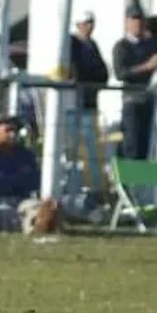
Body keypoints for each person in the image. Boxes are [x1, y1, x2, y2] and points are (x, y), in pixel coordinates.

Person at [68, 10, 109, 191]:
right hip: (74, 102)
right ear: (78, 25)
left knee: (91, 146)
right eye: (86, 22)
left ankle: (93, 186)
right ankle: (73, 185)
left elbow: (103, 73)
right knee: (74, 146)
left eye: (91, 22)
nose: (90, 26)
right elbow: (77, 71)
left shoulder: (92, 45)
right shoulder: (72, 43)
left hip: (90, 102)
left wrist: (93, 79)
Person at [112, 4, 157, 159]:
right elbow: (121, 73)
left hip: (151, 100)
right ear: (127, 22)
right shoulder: (121, 46)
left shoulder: (152, 45)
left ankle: (144, 181)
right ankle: (131, 181)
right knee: (132, 143)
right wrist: (147, 66)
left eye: (140, 19)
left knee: (147, 143)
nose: (137, 23)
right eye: (134, 19)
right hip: (132, 101)